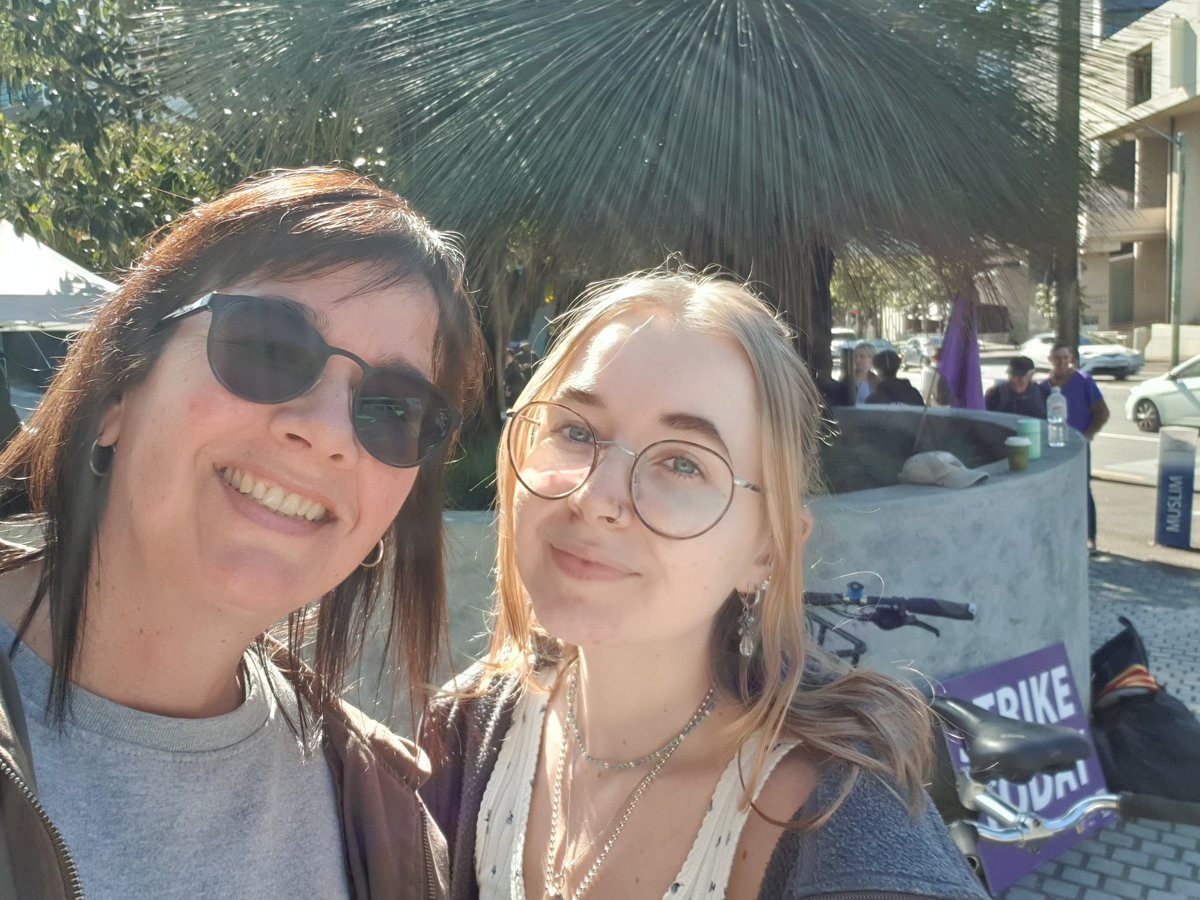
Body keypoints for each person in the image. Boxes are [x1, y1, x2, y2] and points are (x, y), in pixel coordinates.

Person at [421, 268, 986, 900]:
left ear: (766, 550)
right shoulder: (463, 732)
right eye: (576, 431)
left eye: (683, 463)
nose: (596, 496)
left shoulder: (841, 827)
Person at [0, 166, 486, 898]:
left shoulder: (388, 825)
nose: (324, 433)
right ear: (116, 394)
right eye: (267, 347)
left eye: (393, 408)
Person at [1039, 342, 1109, 551]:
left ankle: (1089, 537)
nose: (1061, 362)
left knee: (1082, 489)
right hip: (1052, 445)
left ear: (1071, 359)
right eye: (1056, 358)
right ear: (1050, 360)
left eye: (1064, 357)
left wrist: (1087, 436)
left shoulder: (1084, 381)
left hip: (1077, 445)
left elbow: (1102, 413)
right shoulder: (1044, 387)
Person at [850, 339, 879, 404]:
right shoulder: (848, 379)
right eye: (855, 356)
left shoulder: (876, 381)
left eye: (862, 356)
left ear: (871, 359)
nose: (857, 359)